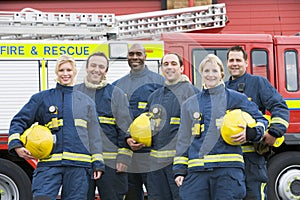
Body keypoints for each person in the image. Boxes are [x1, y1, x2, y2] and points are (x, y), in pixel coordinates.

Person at [8, 54, 105, 200]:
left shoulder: (86, 101)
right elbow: (19, 121)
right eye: (61, 70)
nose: (65, 74)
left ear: (75, 72)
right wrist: (16, 145)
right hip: (50, 164)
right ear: (56, 73)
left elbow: (95, 136)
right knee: (42, 197)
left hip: (78, 166)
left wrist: (97, 163)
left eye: (68, 70)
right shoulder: (42, 99)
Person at [173, 54, 268, 200]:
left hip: (228, 172)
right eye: (206, 71)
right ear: (201, 74)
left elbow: (261, 119)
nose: (210, 75)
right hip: (197, 173)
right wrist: (179, 170)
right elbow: (183, 140)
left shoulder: (236, 98)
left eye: (214, 71)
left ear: (221, 74)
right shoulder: (189, 104)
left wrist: (251, 133)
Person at [225, 46, 290, 199]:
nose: (235, 64)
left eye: (238, 60)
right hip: (229, 156)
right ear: (226, 63)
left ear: (246, 63)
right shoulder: (223, 89)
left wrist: (274, 132)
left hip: (253, 156)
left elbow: (279, 107)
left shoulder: (258, 83)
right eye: (231, 60)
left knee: (254, 195)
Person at [75, 52, 132, 200]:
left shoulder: (116, 94)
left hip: (111, 164)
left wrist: (124, 159)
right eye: (93, 65)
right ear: (86, 68)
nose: (96, 69)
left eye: (101, 67)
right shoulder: (75, 93)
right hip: (82, 162)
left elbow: (125, 128)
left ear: (106, 71)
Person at [113, 43, 165, 200]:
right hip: (126, 152)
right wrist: (126, 138)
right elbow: (116, 118)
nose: (134, 57)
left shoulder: (159, 82)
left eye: (138, 54)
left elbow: (165, 116)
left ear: (145, 56)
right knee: (130, 195)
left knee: (156, 194)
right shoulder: (117, 85)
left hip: (151, 152)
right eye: (131, 54)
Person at [145, 53, 199, 200]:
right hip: (156, 168)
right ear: (161, 69)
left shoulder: (193, 93)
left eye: (174, 64)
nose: (169, 67)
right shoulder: (154, 97)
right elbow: (145, 128)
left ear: (181, 68)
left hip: (181, 166)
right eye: (166, 64)